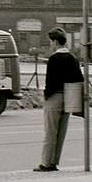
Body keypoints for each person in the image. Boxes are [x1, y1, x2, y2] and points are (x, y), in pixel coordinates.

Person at [35, 26, 84, 173]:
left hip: (54, 97)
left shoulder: (53, 59)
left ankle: (46, 163)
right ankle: (54, 162)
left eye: (51, 42)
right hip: (69, 97)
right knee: (61, 132)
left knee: (50, 131)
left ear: (55, 42)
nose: (50, 44)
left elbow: (50, 82)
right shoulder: (73, 59)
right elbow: (79, 79)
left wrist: (46, 96)